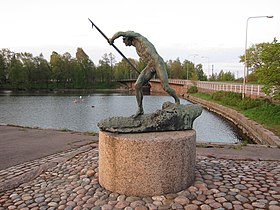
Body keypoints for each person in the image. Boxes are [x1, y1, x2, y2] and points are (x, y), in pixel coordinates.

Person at [109, 31, 180, 117]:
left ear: (128, 38)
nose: (124, 43)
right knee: (137, 85)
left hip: (158, 63)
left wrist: (112, 39)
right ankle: (140, 109)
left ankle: (177, 101)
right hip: (150, 65)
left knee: (166, 87)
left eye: (124, 41)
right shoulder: (136, 47)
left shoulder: (139, 37)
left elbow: (121, 33)